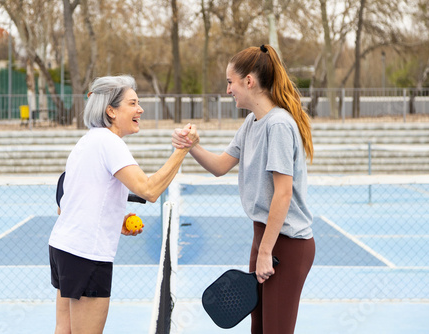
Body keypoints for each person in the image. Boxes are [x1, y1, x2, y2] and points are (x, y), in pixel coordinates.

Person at [172, 45, 315, 334]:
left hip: (286, 244)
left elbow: (283, 193)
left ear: (249, 81)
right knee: (259, 328)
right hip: (264, 237)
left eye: (230, 82)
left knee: (275, 329)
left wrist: (265, 251)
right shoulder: (252, 122)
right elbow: (220, 165)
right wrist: (192, 146)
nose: (228, 90)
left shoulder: (278, 126)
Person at [49, 75, 199, 334]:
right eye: (133, 103)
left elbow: (68, 204)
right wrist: (182, 149)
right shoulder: (110, 142)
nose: (140, 109)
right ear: (111, 110)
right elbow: (149, 190)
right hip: (87, 255)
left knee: (64, 331)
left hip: (63, 249)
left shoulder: (88, 140)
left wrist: (115, 220)